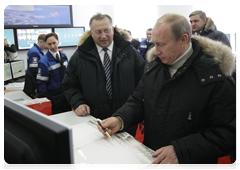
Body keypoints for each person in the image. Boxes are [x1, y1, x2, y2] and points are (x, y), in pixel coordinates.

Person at [97, 13, 238, 169]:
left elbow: (228, 132)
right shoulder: (153, 67)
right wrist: (120, 119)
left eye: (161, 44)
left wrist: (180, 151)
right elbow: (138, 101)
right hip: (152, 158)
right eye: (154, 44)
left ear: (183, 39)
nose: (156, 51)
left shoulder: (214, 76)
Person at [62, 13, 145, 136]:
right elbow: (69, 85)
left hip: (125, 119)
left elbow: (143, 82)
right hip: (94, 121)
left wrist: (133, 110)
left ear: (113, 29)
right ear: (91, 33)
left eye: (107, 30)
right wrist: (79, 102)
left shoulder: (129, 52)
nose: (103, 36)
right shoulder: (80, 56)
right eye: (98, 32)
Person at [37, 33, 71, 114]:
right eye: (49, 44)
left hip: (67, 96)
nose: (52, 46)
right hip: (55, 98)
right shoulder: (44, 61)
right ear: (46, 44)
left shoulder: (63, 56)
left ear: (58, 41)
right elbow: (41, 84)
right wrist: (48, 101)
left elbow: (69, 74)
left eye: (54, 43)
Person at [23, 34, 47, 99]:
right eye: (46, 44)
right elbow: (34, 71)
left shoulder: (38, 51)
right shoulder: (34, 52)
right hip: (32, 83)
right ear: (41, 42)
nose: (46, 46)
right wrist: (36, 86)